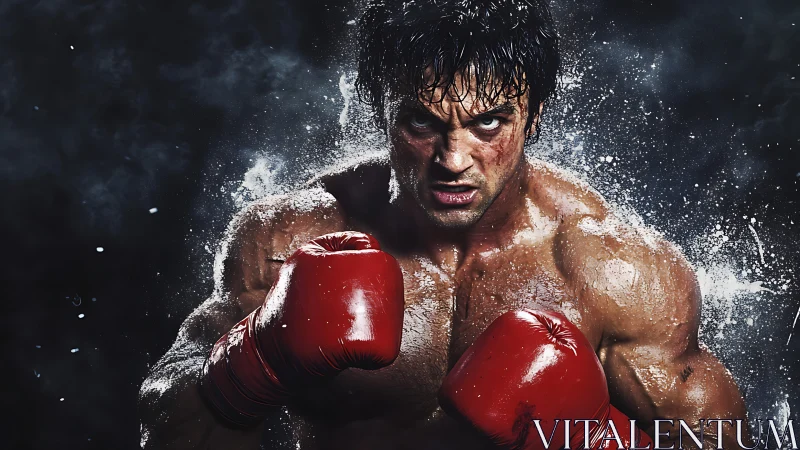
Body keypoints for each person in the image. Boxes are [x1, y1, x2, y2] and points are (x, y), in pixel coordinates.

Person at [138, 0, 750, 448]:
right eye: (422, 124)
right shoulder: (290, 243)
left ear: (533, 116)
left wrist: (599, 440)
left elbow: (725, 442)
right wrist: (257, 360)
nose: (453, 161)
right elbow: (167, 433)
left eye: (488, 124)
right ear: (378, 107)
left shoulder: (614, 273)